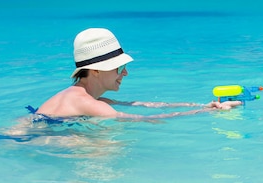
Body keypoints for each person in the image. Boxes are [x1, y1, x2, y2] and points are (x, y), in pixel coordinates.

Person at [34, 28, 241, 120]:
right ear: (96, 70)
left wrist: (202, 105)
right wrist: (212, 113)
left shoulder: (85, 98)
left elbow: (144, 105)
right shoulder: (89, 104)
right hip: (33, 138)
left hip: (33, 131)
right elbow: (139, 119)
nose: (125, 73)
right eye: (118, 67)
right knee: (105, 144)